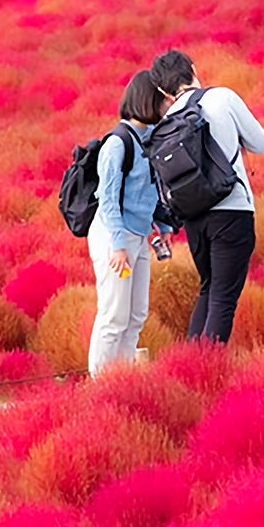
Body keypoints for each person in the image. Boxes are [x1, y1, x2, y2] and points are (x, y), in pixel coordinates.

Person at [150, 48, 264, 344]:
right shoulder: (222, 98)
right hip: (232, 210)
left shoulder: (167, 121)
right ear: (192, 68)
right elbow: (261, 143)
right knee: (223, 299)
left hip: (194, 218)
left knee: (209, 289)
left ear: (164, 90)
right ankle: (208, 368)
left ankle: (192, 366)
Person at [87, 70, 173, 376]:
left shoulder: (147, 141)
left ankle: (121, 378)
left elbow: (150, 191)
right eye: (163, 99)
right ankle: (102, 382)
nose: (167, 105)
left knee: (136, 314)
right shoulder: (118, 144)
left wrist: (162, 230)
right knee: (113, 316)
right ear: (148, 100)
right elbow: (108, 200)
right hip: (115, 238)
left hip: (136, 237)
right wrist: (119, 246)